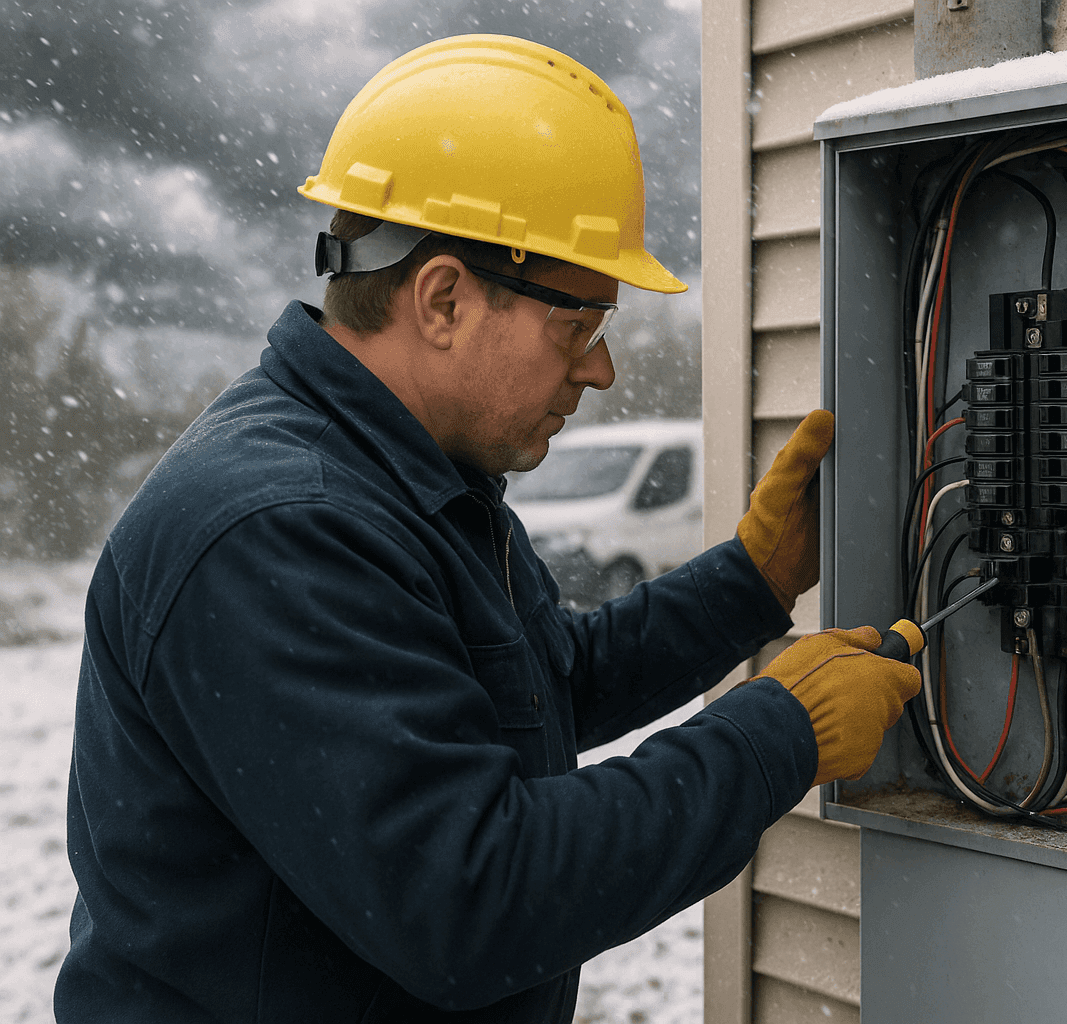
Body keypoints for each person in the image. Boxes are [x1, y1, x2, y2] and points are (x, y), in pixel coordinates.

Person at [55, 34, 919, 1024]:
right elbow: (469, 894)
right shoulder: (278, 531)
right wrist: (781, 731)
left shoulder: (408, 479)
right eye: (579, 324)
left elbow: (541, 682)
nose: (600, 370)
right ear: (445, 300)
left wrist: (750, 582)